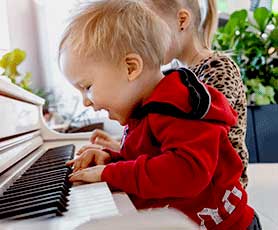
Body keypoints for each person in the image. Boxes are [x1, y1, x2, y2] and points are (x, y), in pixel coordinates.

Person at [59, 1, 260, 229]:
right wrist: (112, 159)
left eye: (87, 87)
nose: (86, 102)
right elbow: (152, 155)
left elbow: (187, 172)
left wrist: (110, 173)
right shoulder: (145, 108)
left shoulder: (176, 105)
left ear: (131, 68)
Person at [82, 0, 249, 189]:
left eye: (149, 26)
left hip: (218, 189)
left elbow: (198, 144)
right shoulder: (175, 73)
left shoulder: (217, 68)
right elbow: (172, 138)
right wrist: (122, 149)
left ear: (182, 21)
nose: (141, 39)